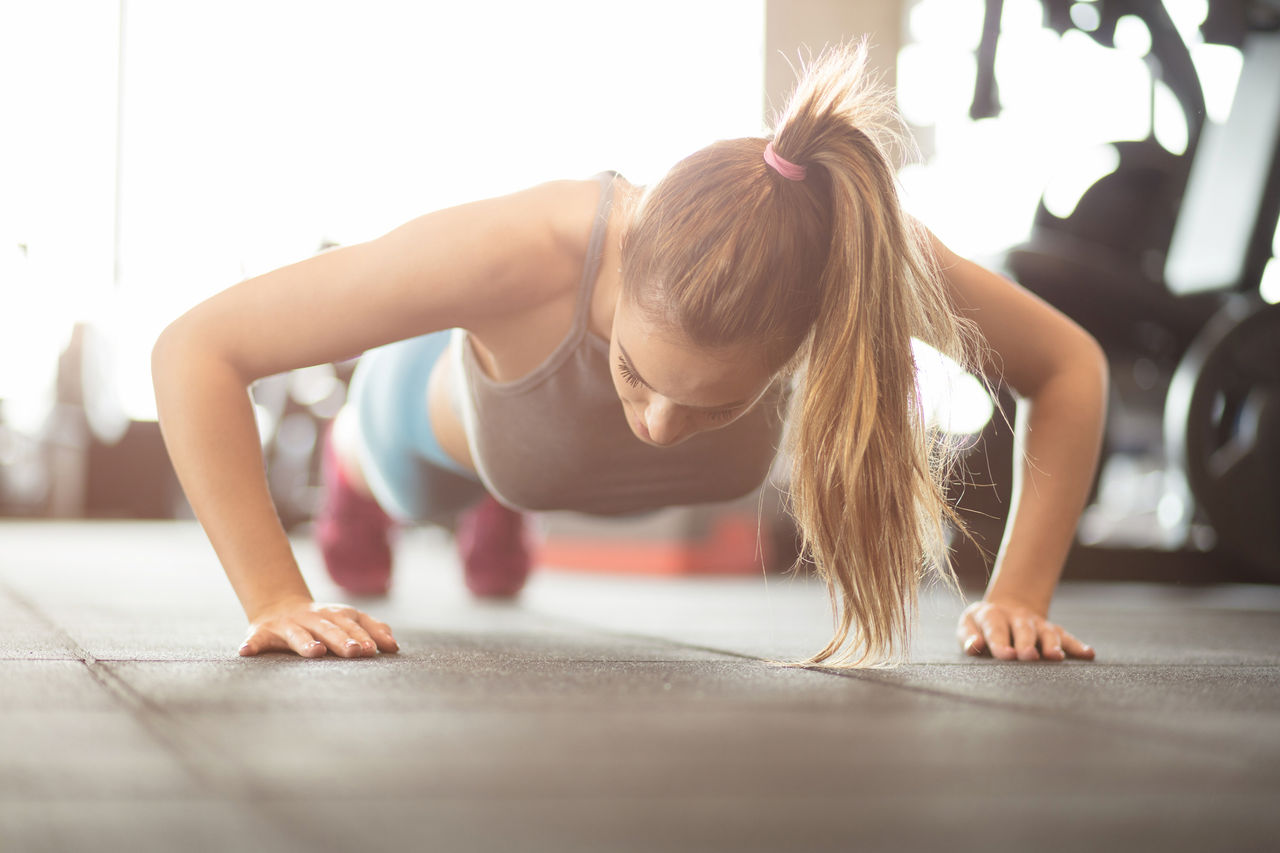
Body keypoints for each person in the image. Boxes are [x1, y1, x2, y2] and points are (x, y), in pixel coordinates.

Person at [152, 42, 1104, 667]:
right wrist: (276, 596)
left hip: (547, 466)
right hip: (440, 429)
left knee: (530, 484)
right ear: (623, 261)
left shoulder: (842, 266)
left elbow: (1070, 367)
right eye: (636, 375)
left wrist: (1017, 593)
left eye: (713, 405)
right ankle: (359, 472)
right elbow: (198, 349)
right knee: (392, 465)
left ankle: (502, 518)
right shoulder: (521, 250)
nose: (656, 427)